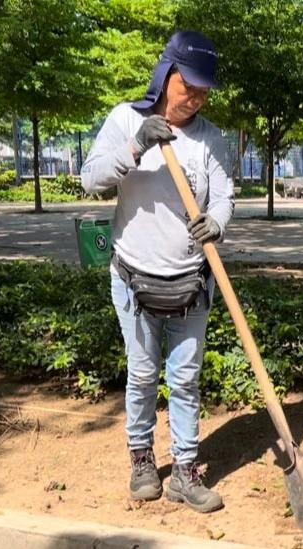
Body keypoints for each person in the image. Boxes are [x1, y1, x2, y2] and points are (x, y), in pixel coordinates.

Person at [80, 30, 234, 513]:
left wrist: (217, 222)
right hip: (134, 277)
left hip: (192, 280)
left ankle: (185, 471)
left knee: (185, 378)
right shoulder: (126, 119)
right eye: (189, 86)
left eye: (204, 91)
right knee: (143, 374)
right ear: (166, 74)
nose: (196, 97)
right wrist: (135, 146)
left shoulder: (210, 139)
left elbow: (224, 196)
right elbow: (90, 180)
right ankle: (142, 461)